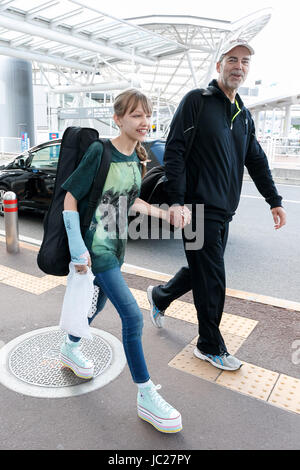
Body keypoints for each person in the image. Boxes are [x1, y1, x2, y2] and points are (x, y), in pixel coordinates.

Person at [147, 39, 286, 371]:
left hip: (224, 210)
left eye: (245, 61)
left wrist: (274, 200)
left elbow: (256, 159)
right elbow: (176, 151)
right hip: (196, 209)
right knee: (212, 278)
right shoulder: (197, 101)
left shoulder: (243, 114)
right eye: (232, 59)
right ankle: (209, 345)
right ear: (219, 65)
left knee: (204, 271)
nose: (239, 66)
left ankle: (161, 296)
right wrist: (177, 202)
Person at [58, 88, 191, 434]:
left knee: (98, 303)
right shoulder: (99, 152)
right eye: (135, 115)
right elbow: (70, 198)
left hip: (117, 247)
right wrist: (77, 247)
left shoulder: (137, 158)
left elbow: (129, 203)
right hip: (95, 247)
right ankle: (146, 394)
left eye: (147, 115)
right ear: (118, 119)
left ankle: (70, 348)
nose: (144, 121)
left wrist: (166, 214)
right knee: (132, 316)